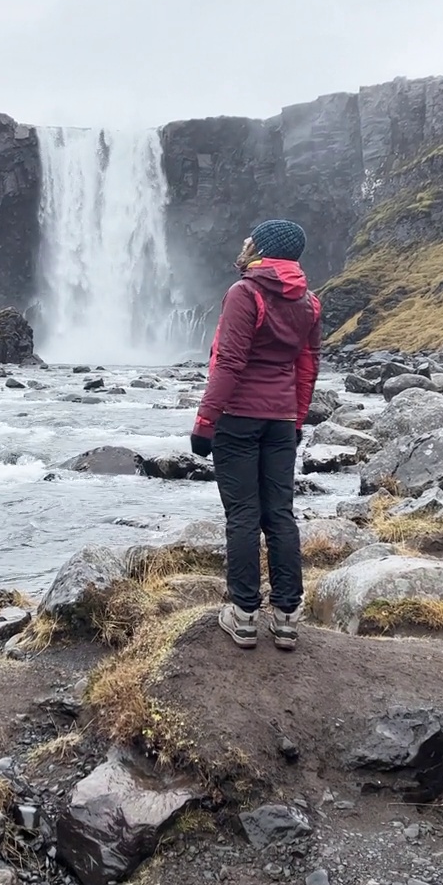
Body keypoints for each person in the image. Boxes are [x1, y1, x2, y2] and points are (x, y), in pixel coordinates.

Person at [190, 219, 321, 651]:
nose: (243, 243)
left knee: (243, 515)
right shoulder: (309, 303)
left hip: (238, 419)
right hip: (281, 422)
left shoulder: (244, 293)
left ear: (262, 250)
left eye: (250, 239)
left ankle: (244, 614)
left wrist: (205, 422)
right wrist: (297, 421)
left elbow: (228, 363)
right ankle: (286, 617)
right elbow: (307, 368)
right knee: (279, 514)